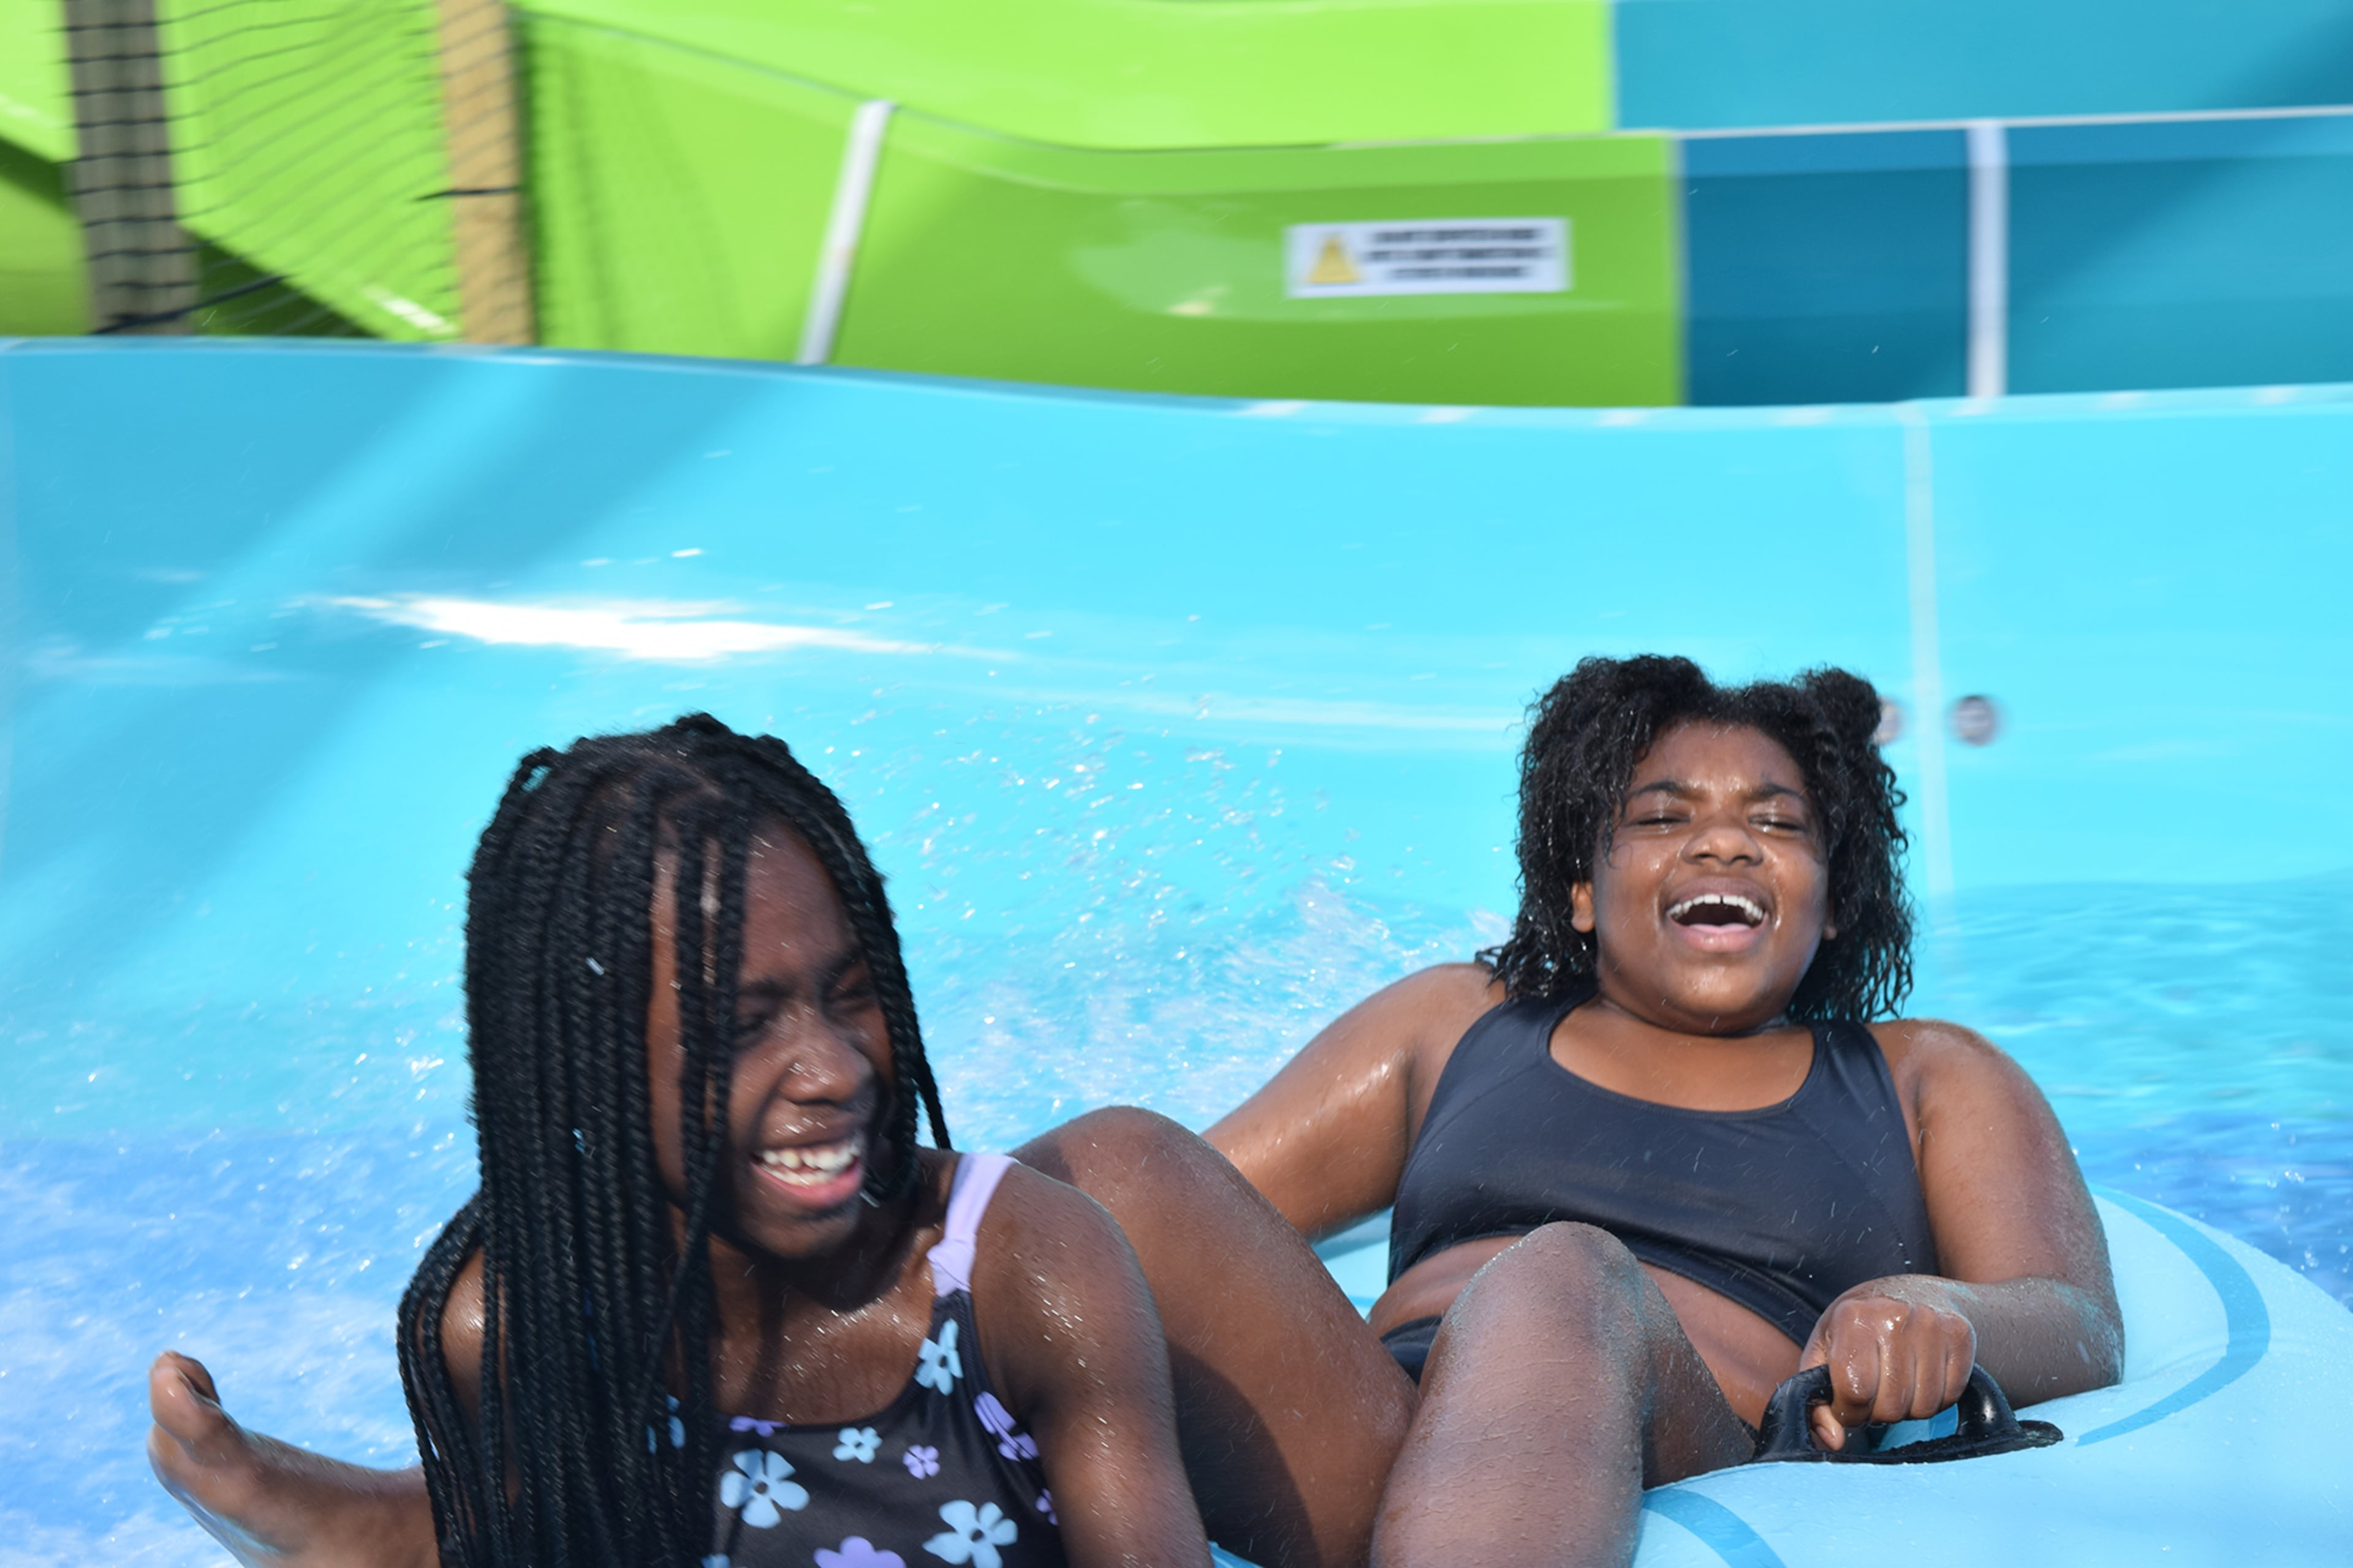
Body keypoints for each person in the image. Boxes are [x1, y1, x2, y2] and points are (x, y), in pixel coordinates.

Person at [152, 657, 2121, 1568]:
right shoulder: (1460, 1027)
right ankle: (454, 1520)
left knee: (1556, 1274)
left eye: (1775, 821)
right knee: (1096, 1156)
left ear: (1838, 883)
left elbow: (2076, 1318)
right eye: (1663, 815)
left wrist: (1941, 1318)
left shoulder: (1926, 1077)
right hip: (1395, 1453)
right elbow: (1173, 1212)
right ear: (1578, 875)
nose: (1722, 846)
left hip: (1681, 1410)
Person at [154, 717, 1208, 1568]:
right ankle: (400, 1527)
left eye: (855, 997)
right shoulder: (523, 1327)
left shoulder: (1024, 1272)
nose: (834, 1068)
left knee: (1128, 1177)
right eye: (742, 1027)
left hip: (1203, 1302)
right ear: (588, 1070)